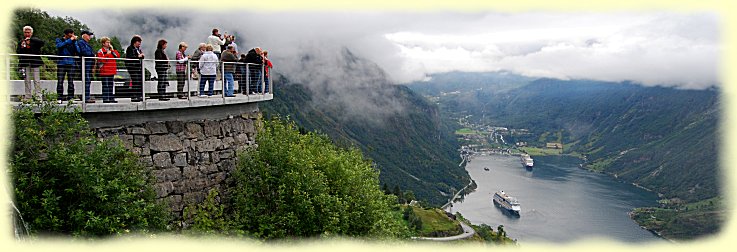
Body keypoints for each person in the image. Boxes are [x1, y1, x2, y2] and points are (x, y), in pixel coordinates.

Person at [16, 25, 45, 100]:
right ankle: (28, 96)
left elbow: (42, 43)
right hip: (25, 63)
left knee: (36, 80)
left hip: (35, 63)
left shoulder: (35, 40)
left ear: (31, 33)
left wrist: (31, 40)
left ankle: (38, 97)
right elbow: (18, 52)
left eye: (28, 32)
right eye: (25, 32)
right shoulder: (21, 42)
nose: (27, 34)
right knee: (27, 80)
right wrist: (22, 46)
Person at [55, 28, 78, 101]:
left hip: (71, 63)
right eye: (70, 35)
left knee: (71, 81)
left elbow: (78, 50)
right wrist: (69, 40)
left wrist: (74, 42)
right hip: (61, 63)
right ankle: (59, 97)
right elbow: (59, 46)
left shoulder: (73, 41)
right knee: (60, 81)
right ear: (66, 35)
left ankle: (71, 97)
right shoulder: (59, 40)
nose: (72, 36)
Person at [96, 37, 120, 103]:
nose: (109, 44)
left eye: (109, 42)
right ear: (103, 43)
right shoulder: (100, 51)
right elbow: (101, 60)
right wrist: (107, 54)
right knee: (105, 85)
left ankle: (111, 98)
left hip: (111, 70)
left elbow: (117, 56)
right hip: (104, 71)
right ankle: (106, 98)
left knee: (110, 85)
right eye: (107, 42)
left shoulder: (111, 51)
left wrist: (112, 50)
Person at [76, 30, 96, 103]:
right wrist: (91, 54)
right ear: (84, 35)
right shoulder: (81, 42)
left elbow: (91, 53)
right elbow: (84, 52)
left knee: (88, 80)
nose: (89, 36)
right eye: (88, 35)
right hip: (84, 64)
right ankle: (86, 97)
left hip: (89, 65)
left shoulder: (87, 44)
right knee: (86, 80)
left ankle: (86, 96)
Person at [125, 35, 144, 102]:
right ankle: (134, 96)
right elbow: (130, 58)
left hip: (138, 67)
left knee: (139, 81)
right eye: (138, 42)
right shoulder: (130, 48)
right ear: (134, 42)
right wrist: (138, 56)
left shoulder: (138, 49)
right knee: (135, 81)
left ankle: (139, 95)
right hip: (133, 67)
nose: (139, 44)